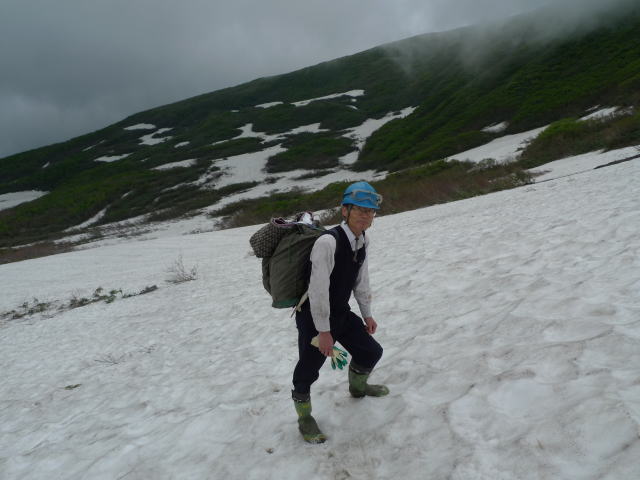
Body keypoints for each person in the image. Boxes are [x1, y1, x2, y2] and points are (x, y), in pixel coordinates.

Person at [291, 181, 389, 444]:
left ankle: (358, 388)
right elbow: (318, 289)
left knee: (371, 351)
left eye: (370, 211)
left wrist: (367, 313)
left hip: (340, 312)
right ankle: (304, 417)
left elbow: (361, 279)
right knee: (309, 369)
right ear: (344, 210)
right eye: (360, 209)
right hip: (315, 316)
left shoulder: (362, 240)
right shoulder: (327, 242)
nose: (366, 215)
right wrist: (324, 332)